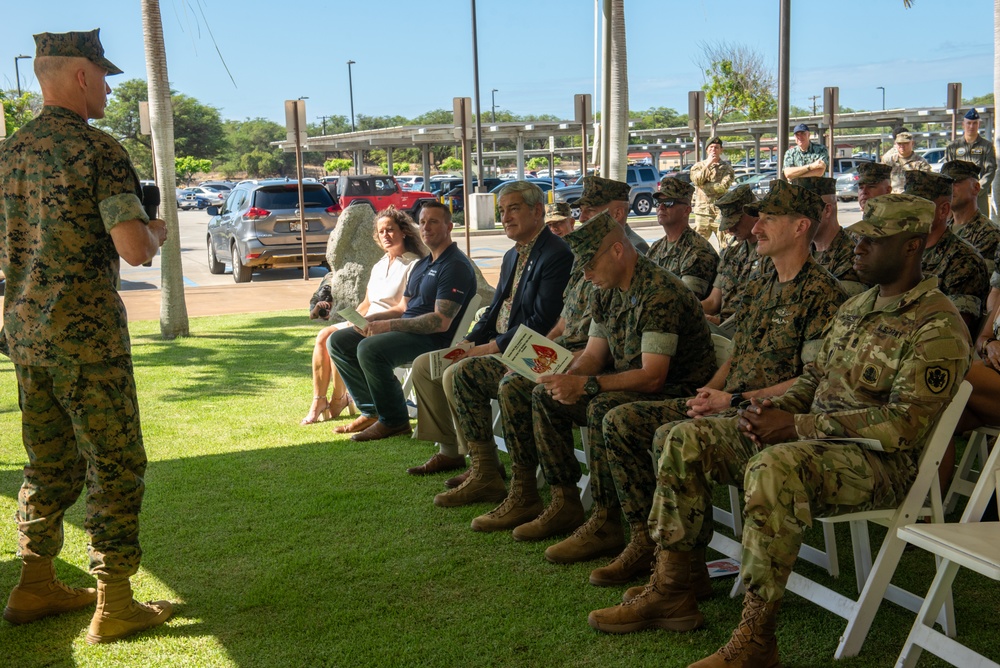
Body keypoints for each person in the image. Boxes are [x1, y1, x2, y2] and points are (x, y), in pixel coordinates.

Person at [588, 194, 972, 668]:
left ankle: (756, 637)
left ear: (912, 246)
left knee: (774, 464)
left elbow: (902, 427)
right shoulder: (858, 308)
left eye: (873, 240)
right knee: (684, 436)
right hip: (814, 442)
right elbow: (814, 381)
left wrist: (794, 425)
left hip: (882, 464)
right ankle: (673, 589)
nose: (857, 246)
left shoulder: (937, 324)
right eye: (859, 236)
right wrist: (760, 410)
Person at [0, 29, 172, 643]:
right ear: (77, 75)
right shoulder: (97, 150)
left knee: (47, 462)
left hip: (25, 335)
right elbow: (133, 248)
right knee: (115, 465)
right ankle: (116, 600)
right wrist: (155, 232)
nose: (106, 86)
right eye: (102, 76)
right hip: (86, 340)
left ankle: (35, 582)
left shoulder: (9, 153)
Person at [592, 181, 846, 587]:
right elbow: (740, 355)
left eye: (768, 218)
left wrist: (733, 398)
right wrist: (708, 392)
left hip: (769, 417)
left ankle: (678, 574)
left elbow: (811, 382)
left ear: (801, 227)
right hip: (731, 400)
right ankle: (647, 542)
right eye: (758, 217)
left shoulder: (823, 294)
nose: (756, 227)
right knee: (621, 421)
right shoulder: (762, 283)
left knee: (674, 437)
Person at [479, 213, 716, 566]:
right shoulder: (605, 290)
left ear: (617, 251)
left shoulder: (659, 292)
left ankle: (623, 528)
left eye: (590, 264)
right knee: (545, 395)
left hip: (679, 393)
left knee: (604, 409)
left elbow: (653, 377)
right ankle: (564, 501)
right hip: (636, 386)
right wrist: (565, 376)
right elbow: (593, 355)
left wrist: (585, 385)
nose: (586, 274)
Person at [405, 182, 572, 501]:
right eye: (501, 210)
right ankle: (453, 450)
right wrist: (467, 343)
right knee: (428, 364)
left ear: (537, 211)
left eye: (513, 209)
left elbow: (543, 322)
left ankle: (485, 470)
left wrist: (487, 348)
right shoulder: (512, 255)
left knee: (458, 372)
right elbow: (494, 310)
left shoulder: (555, 254)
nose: (505, 217)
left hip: (533, 351)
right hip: (501, 343)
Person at [326, 200, 476, 442]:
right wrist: (371, 318)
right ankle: (372, 410)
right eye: (423, 222)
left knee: (370, 349)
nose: (426, 227)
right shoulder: (424, 264)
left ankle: (395, 421)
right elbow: (403, 308)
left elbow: (441, 322)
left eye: (434, 222)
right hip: (407, 332)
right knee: (338, 341)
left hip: (433, 340)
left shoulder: (455, 265)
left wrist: (387, 326)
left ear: (449, 226)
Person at [301, 208, 425, 425]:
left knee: (332, 338)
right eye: (381, 232)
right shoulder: (378, 266)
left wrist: (370, 320)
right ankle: (321, 400)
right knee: (325, 335)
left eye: (390, 230)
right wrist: (354, 317)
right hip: (366, 321)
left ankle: (341, 400)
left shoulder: (413, 265)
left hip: (388, 325)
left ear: (403, 231)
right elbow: (367, 303)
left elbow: (403, 308)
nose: (385, 235)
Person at [904, 170, 988, 334]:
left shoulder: (964, 260)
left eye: (918, 205)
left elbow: (952, 327)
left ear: (943, 210)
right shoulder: (903, 250)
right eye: (906, 203)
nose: (908, 212)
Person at [793, 177, 867, 295]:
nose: (798, 219)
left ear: (827, 210)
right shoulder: (800, 252)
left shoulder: (851, 257)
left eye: (805, 210)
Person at [647, 178, 719, 299]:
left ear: (686, 210)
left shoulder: (698, 251)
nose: (661, 207)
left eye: (669, 202)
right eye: (658, 202)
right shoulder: (656, 247)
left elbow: (686, 302)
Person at [941, 159, 1000, 277]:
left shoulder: (988, 233)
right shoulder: (943, 229)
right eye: (946, 184)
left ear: (976, 188)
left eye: (956, 182)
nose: (950, 188)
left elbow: (974, 279)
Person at [575, 175, 650, 255]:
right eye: (581, 210)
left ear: (617, 214)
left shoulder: (634, 248)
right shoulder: (592, 244)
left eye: (590, 210)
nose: (581, 219)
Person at [945, 108, 998, 215]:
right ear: (963, 124)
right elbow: (947, 172)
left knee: (981, 227)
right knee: (957, 227)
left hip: (978, 196)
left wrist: (977, 189)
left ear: (979, 125)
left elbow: (990, 171)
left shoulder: (986, 146)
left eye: (975, 123)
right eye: (968, 123)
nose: (971, 126)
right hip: (958, 196)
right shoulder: (953, 146)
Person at [690, 136, 736, 241]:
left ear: (721, 150)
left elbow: (722, 188)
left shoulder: (727, 168)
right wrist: (708, 164)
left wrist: (703, 186)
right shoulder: (698, 167)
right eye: (711, 147)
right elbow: (697, 181)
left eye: (716, 147)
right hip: (702, 212)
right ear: (706, 150)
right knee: (698, 243)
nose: (713, 150)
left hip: (720, 212)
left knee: (726, 243)